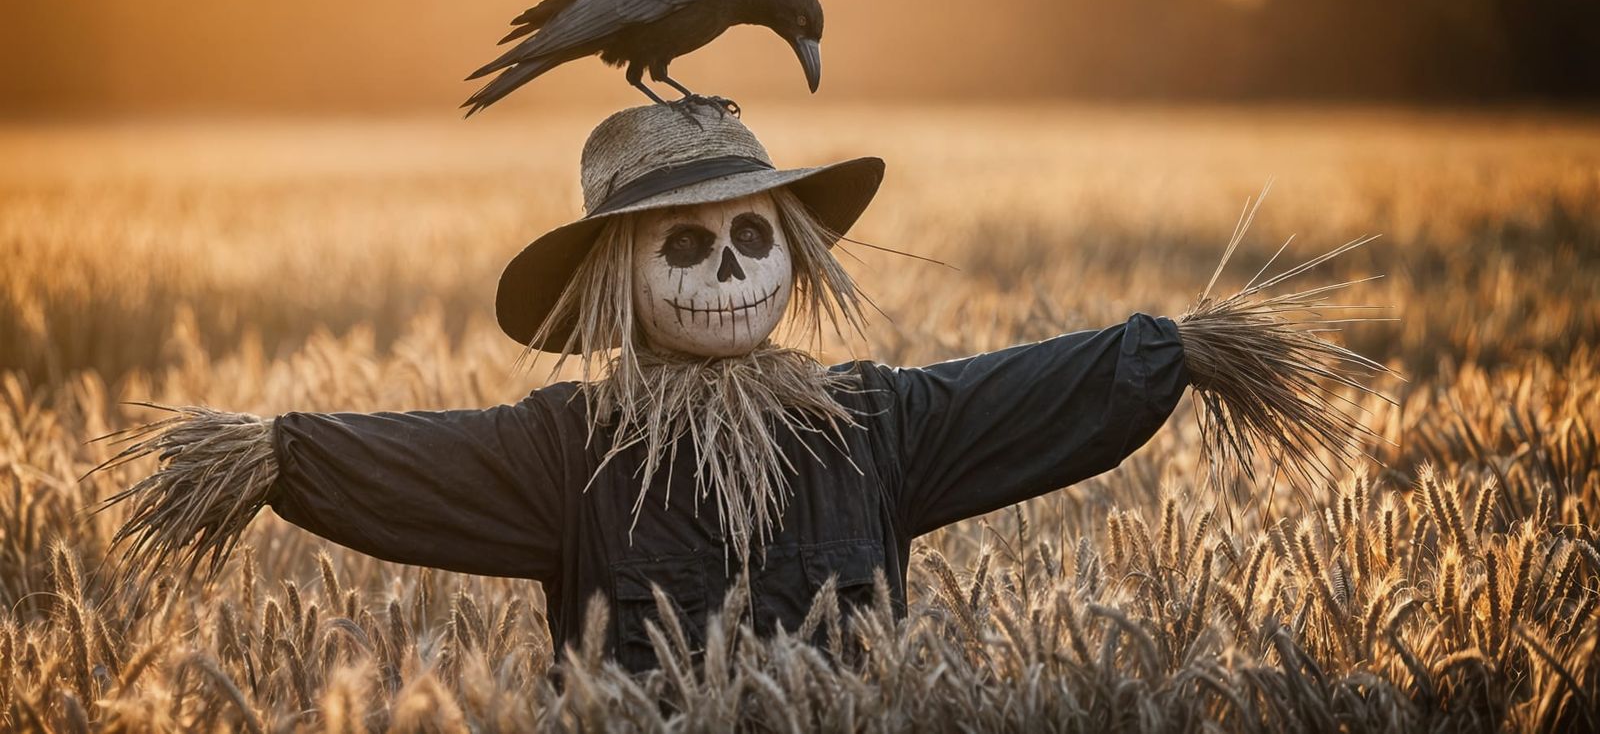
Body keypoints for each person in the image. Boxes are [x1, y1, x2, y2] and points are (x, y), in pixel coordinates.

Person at [106, 103, 1190, 673]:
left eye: (754, 237)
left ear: (796, 255)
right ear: (617, 283)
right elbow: (410, 464)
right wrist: (273, 453)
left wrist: (1178, 349)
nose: (732, 273)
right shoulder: (571, 451)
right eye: (686, 243)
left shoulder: (874, 427)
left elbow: (1049, 390)